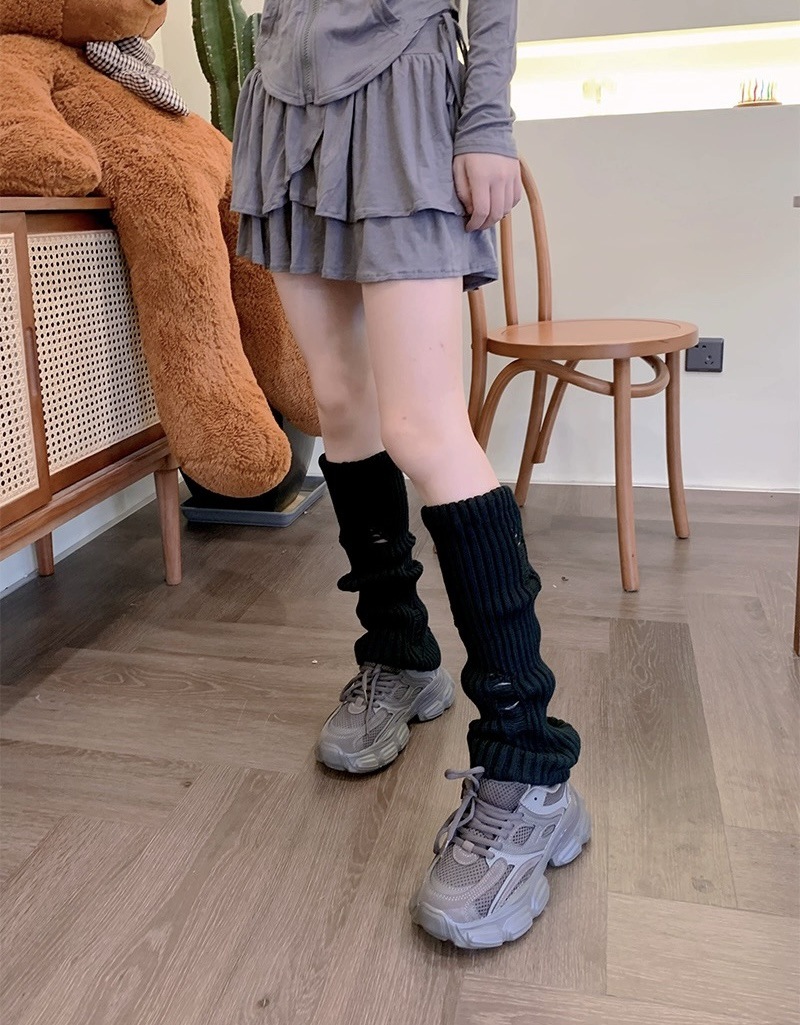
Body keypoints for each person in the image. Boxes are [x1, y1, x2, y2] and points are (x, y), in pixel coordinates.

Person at [232, 0, 590, 949]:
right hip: (281, 99)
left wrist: (487, 117)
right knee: (340, 405)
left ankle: (531, 762)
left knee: (425, 428)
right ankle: (399, 650)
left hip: (400, 88)